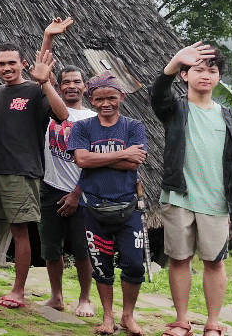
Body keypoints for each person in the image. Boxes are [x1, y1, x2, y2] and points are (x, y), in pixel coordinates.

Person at [0, 43, 68, 308]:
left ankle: (18, 291)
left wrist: (45, 83)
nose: (7, 68)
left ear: (23, 64)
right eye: (1, 64)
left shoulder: (35, 90)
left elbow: (62, 114)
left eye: (12, 63)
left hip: (22, 171)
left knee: (20, 229)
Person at [153, 43, 232, 336]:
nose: (205, 75)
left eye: (212, 70)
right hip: (179, 197)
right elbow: (157, 95)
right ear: (185, 75)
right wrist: (173, 61)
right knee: (179, 260)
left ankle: (213, 322)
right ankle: (181, 321)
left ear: (218, 78)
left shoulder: (231, 118)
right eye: (198, 69)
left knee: (215, 263)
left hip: (216, 202)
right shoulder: (175, 109)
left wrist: (231, 205)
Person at [71, 71, 147, 336]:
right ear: (91, 99)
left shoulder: (133, 126)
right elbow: (80, 160)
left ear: (121, 97)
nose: (106, 103)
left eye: (112, 98)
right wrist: (124, 152)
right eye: (100, 98)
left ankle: (128, 316)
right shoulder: (82, 127)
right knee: (101, 265)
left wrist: (96, 157)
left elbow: (134, 162)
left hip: (128, 206)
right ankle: (107, 316)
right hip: (94, 206)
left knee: (134, 264)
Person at [36, 19, 96, 316]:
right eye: (66, 82)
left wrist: (76, 193)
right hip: (50, 186)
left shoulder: (93, 119)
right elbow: (40, 71)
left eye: (77, 82)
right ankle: (56, 296)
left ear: (85, 86)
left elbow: (95, 164)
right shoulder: (51, 107)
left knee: (82, 249)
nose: (71, 86)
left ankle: (85, 297)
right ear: (59, 86)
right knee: (50, 247)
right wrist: (48, 37)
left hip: (81, 191)